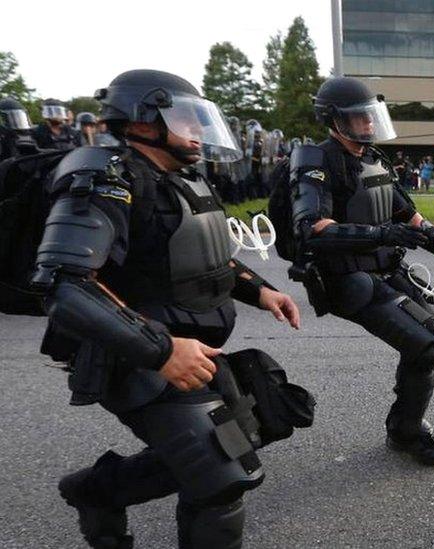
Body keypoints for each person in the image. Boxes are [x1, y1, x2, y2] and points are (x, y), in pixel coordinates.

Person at [33, 69, 303, 548]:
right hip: (131, 353)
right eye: (186, 119)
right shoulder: (104, 175)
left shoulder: (180, 178)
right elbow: (65, 284)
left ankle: (95, 491)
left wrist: (261, 290)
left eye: (202, 120)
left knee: (248, 431)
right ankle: (97, 493)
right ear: (142, 121)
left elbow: (206, 253)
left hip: (185, 348)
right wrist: (161, 351)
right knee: (224, 478)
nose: (199, 131)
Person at [291, 76, 434, 465]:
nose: (369, 124)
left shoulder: (373, 158)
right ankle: (406, 431)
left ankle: (405, 425)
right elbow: (311, 226)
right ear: (334, 119)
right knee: (427, 346)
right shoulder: (317, 160)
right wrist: (381, 233)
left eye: (372, 116)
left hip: (388, 271)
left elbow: (405, 210)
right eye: (360, 118)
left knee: (431, 345)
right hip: (350, 279)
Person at [0, 96, 37, 161]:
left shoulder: (32, 136)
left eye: (20, 118)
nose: (17, 121)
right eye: (12, 119)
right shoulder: (4, 139)